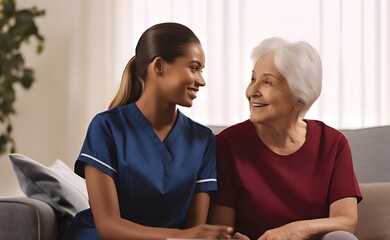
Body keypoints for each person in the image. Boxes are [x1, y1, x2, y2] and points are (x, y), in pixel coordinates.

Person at [64, 22, 233, 240]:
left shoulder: (202, 139)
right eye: (193, 68)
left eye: (202, 70)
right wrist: (177, 237)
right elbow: (108, 226)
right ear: (159, 66)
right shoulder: (106, 127)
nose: (201, 80)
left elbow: (195, 231)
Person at [209, 37, 362, 240]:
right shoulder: (228, 144)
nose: (251, 92)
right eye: (253, 79)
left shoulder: (333, 144)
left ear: (299, 97)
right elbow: (222, 229)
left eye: (267, 82)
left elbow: (346, 221)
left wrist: (297, 229)